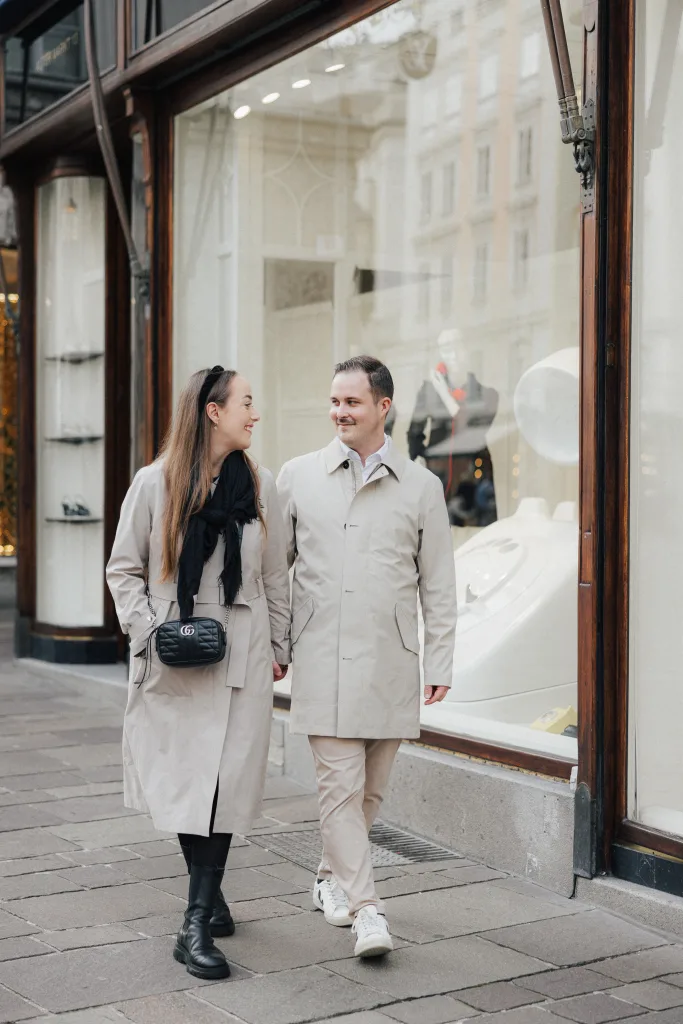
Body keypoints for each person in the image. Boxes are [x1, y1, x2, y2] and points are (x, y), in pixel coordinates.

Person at [106, 366, 290, 981]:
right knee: (187, 781)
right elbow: (123, 569)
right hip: (174, 653)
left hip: (242, 652)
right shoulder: (154, 483)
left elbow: (274, 574)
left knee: (224, 786)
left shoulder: (259, 484)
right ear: (213, 412)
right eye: (246, 403)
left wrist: (280, 643)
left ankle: (195, 923)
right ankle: (208, 897)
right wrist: (148, 633)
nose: (254, 414)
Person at [277, 355, 456, 959]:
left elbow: (438, 585)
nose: (339, 412)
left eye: (351, 402)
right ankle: (368, 911)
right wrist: (278, 643)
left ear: (383, 406)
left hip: (391, 662)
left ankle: (329, 877)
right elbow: (274, 572)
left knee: (369, 794)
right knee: (339, 791)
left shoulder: (422, 487)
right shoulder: (298, 477)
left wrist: (440, 661)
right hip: (322, 659)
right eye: (334, 401)